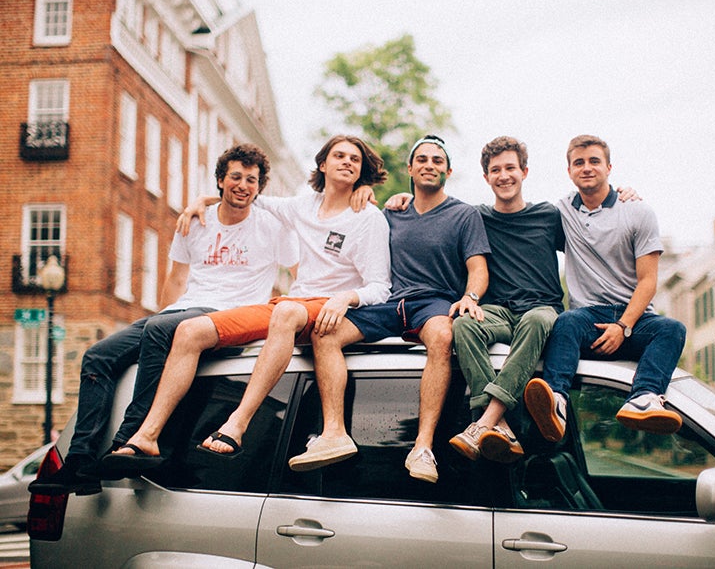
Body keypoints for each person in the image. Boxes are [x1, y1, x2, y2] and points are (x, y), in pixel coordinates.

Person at [102, 135, 391, 471]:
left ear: (361, 172)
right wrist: (201, 200)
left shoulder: (368, 217)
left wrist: (346, 298)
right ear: (323, 164)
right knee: (189, 330)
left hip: (327, 308)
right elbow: (243, 197)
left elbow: (380, 287)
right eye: (339, 155)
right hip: (295, 303)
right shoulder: (301, 206)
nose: (347, 162)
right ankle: (147, 437)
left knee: (284, 310)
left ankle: (236, 425)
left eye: (355, 159)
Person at [29, 144, 293, 495]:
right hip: (185, 310)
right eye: (235, 177)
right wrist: (164, 322)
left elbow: (299, 267)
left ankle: (128, 442)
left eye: (251, 179)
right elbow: (177, 279)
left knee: (159, 329)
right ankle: (80, 463)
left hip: (231, 314)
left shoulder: (272, 225)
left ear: (260, 187)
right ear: (220, 180)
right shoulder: (195, 221)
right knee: (98, 356)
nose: (243, 185)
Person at [306, 135, 491, 484]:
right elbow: (347, 211)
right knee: (324, 332)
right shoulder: (392, 212)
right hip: (391, 302)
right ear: (410, 168)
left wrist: (470, 297)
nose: (429, 165)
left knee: (442, 337)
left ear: (448, 171)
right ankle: (334, 433)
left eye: (437, 161)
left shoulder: (464, 214)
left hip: (433, 302)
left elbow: (478, 268)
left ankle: (422, 447)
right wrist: (365, 193)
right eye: (422, 159)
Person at [524, 134, 686, 443]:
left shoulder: (638, 211)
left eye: (594, 161)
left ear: (609, 167)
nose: (587, 168)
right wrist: (410, 201)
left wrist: (623, 326)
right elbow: (515, 217)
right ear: (569, 171)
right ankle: (556, 400)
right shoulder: (561, 213)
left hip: (635, 320)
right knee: (565, 322)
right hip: (588, 319)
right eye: (579, 162)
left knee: (672, 329)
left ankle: (644, 398)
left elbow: (648, 281)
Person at [448, 136, 563, 463]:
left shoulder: (548, 216)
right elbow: (435, 212)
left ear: (524, 171)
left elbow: (593, 230)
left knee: (538, 319)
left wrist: (622, 198)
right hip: (499, 312)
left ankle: (485, 420)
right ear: (486, 178)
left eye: (510, 167)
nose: (504, 175)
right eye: (495, 170)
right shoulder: (476, 217)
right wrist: (402, 198)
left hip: (540, 310)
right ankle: (499, 425)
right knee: (465, 324)